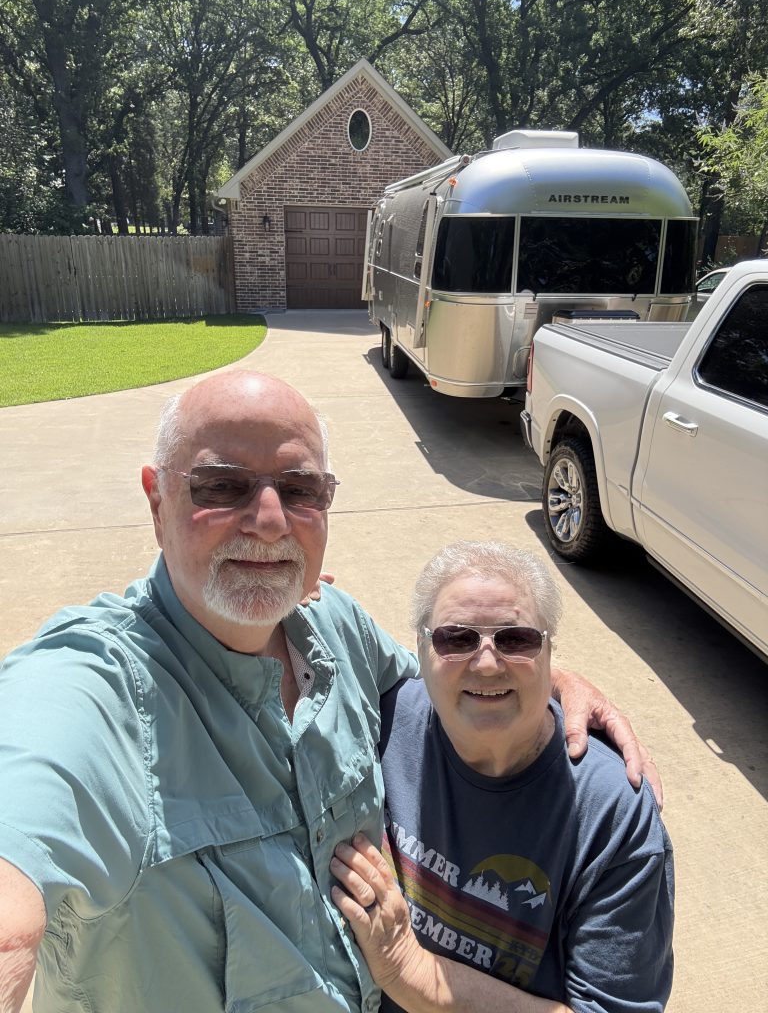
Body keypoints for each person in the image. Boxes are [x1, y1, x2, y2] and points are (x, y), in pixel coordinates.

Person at [0, 372, 659, 1013]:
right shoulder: (88, 689)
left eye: (300, 490)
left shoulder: (337, 627)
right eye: (222, 485)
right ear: (156, 501)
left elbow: (453, 675)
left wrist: (541, 674)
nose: (268, 520)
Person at [331, 541, 673, 1013]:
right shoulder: (381, 717)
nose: (487, 663)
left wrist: (409, 970)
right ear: (420, 650)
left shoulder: (613, 816)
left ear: (549, 651)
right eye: (456, 639)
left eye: (516, 640)